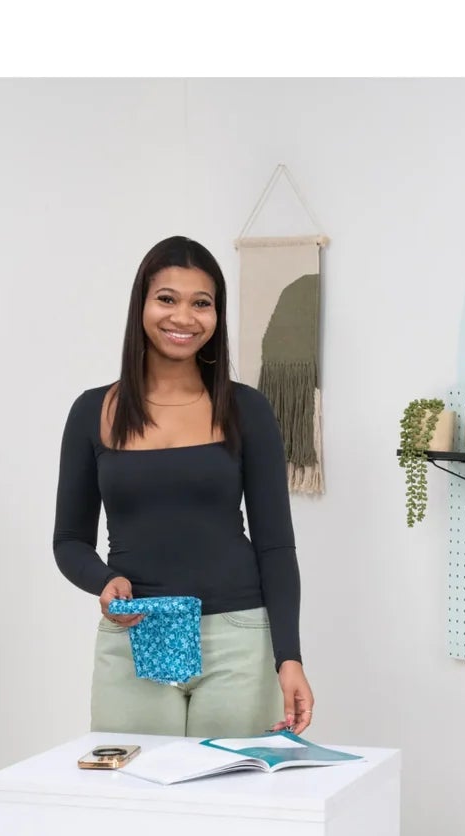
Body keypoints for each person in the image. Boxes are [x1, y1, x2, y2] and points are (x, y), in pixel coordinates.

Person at [53, 235, 315, 738]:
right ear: (142, 306)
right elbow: (69, 541)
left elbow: (277, 546)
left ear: (216, 316)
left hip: (238, 636)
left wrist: (289, 657)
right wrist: (102, 581)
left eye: (202, 303)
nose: (184, 317)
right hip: (135, 633)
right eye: (167, 299)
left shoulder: (247, 410)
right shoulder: (93, 411)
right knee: (132, 801)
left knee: (232, 807)